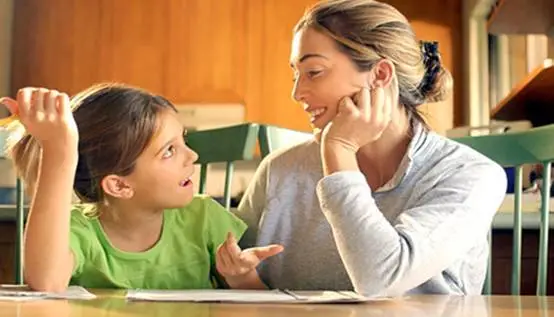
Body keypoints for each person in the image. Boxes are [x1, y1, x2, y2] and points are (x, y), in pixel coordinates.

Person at [218, 0, 507, 296]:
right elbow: (239, 285)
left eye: (314, 71)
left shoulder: (473, 176)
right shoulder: (278, 171)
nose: (297, 92)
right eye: (296, 74)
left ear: (380, 75)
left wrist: (340, 150)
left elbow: (381, 280)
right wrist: (241, 278)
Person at [1, 84, 282, 292]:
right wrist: (59, 152)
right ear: (119, 185)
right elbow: (47, 283)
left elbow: (256, 304)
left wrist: (240, 277)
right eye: (169, 151)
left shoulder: (206, 217)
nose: (192, 156)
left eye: (183, 140)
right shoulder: (79, 231)